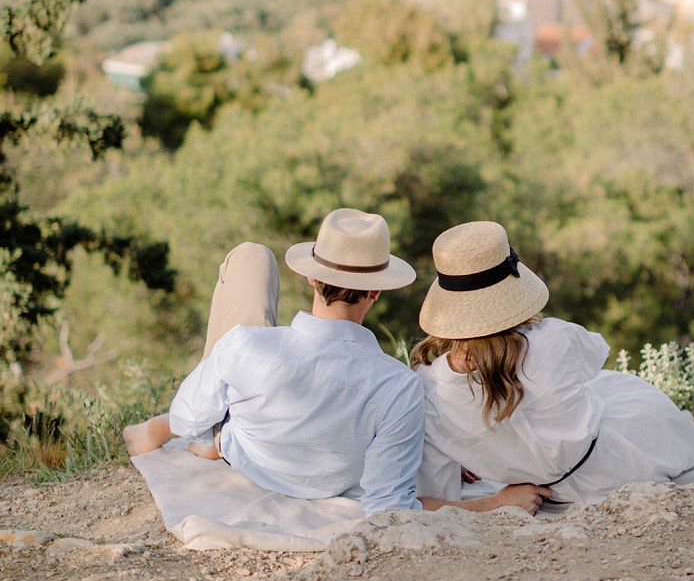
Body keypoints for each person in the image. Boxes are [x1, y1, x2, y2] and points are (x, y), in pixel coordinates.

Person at [125, 208, 543, 516]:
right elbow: (389, 505)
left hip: (249, 450)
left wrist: (196, 424)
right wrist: (493, 503)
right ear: (376, 292)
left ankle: (170, 431)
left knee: (250, 258)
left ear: (311, 276)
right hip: (313, 470)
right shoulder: (396, 385)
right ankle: (212, 435)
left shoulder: (247, 344)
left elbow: (187, 418)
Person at [412, 220, 694, 507]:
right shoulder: (554, 337)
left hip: (547, 490)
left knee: (605, 394)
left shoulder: (428, 393)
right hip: (616, 465)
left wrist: (473, 459)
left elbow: (434, 494)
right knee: (630, 396)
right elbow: (593, 360)